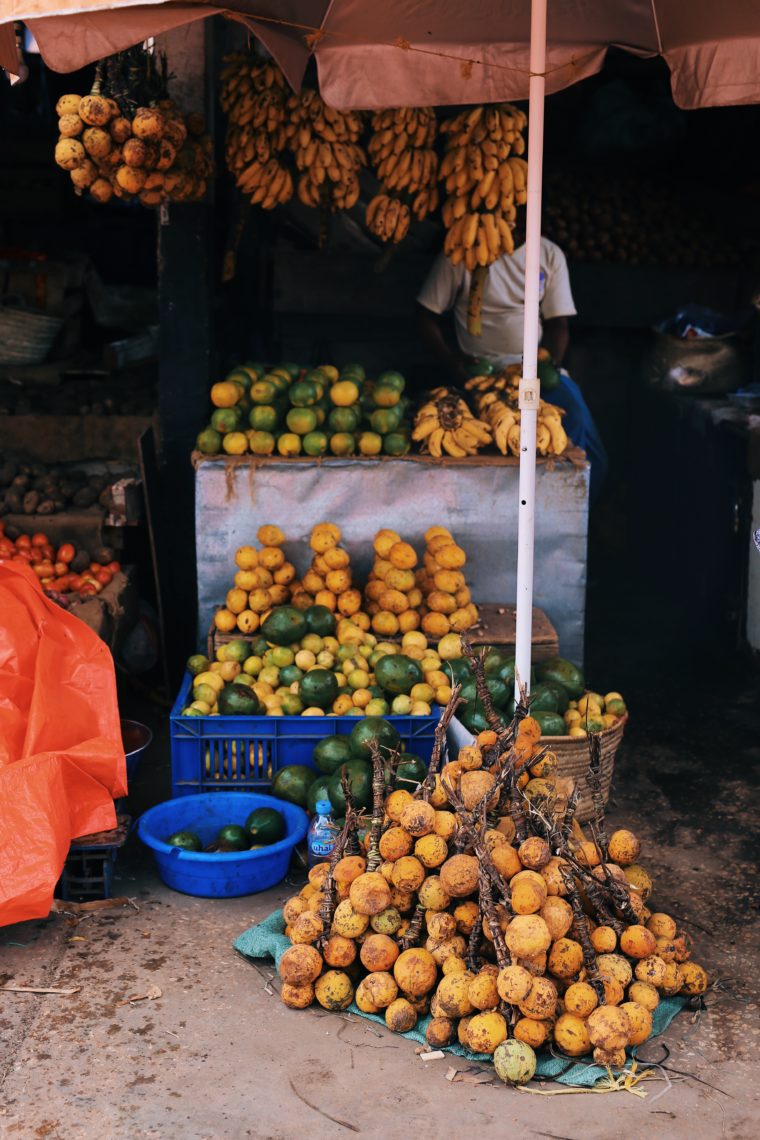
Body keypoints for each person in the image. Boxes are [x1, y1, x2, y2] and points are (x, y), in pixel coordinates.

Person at [416, 234, 607, 498]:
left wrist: (548, 363)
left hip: (532, 370)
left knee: (583, 435)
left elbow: (558, 324)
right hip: (481, 371)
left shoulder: (548, 254)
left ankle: (578, 512)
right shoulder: (463, 251)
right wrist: (451, 360)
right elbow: (425, 315)